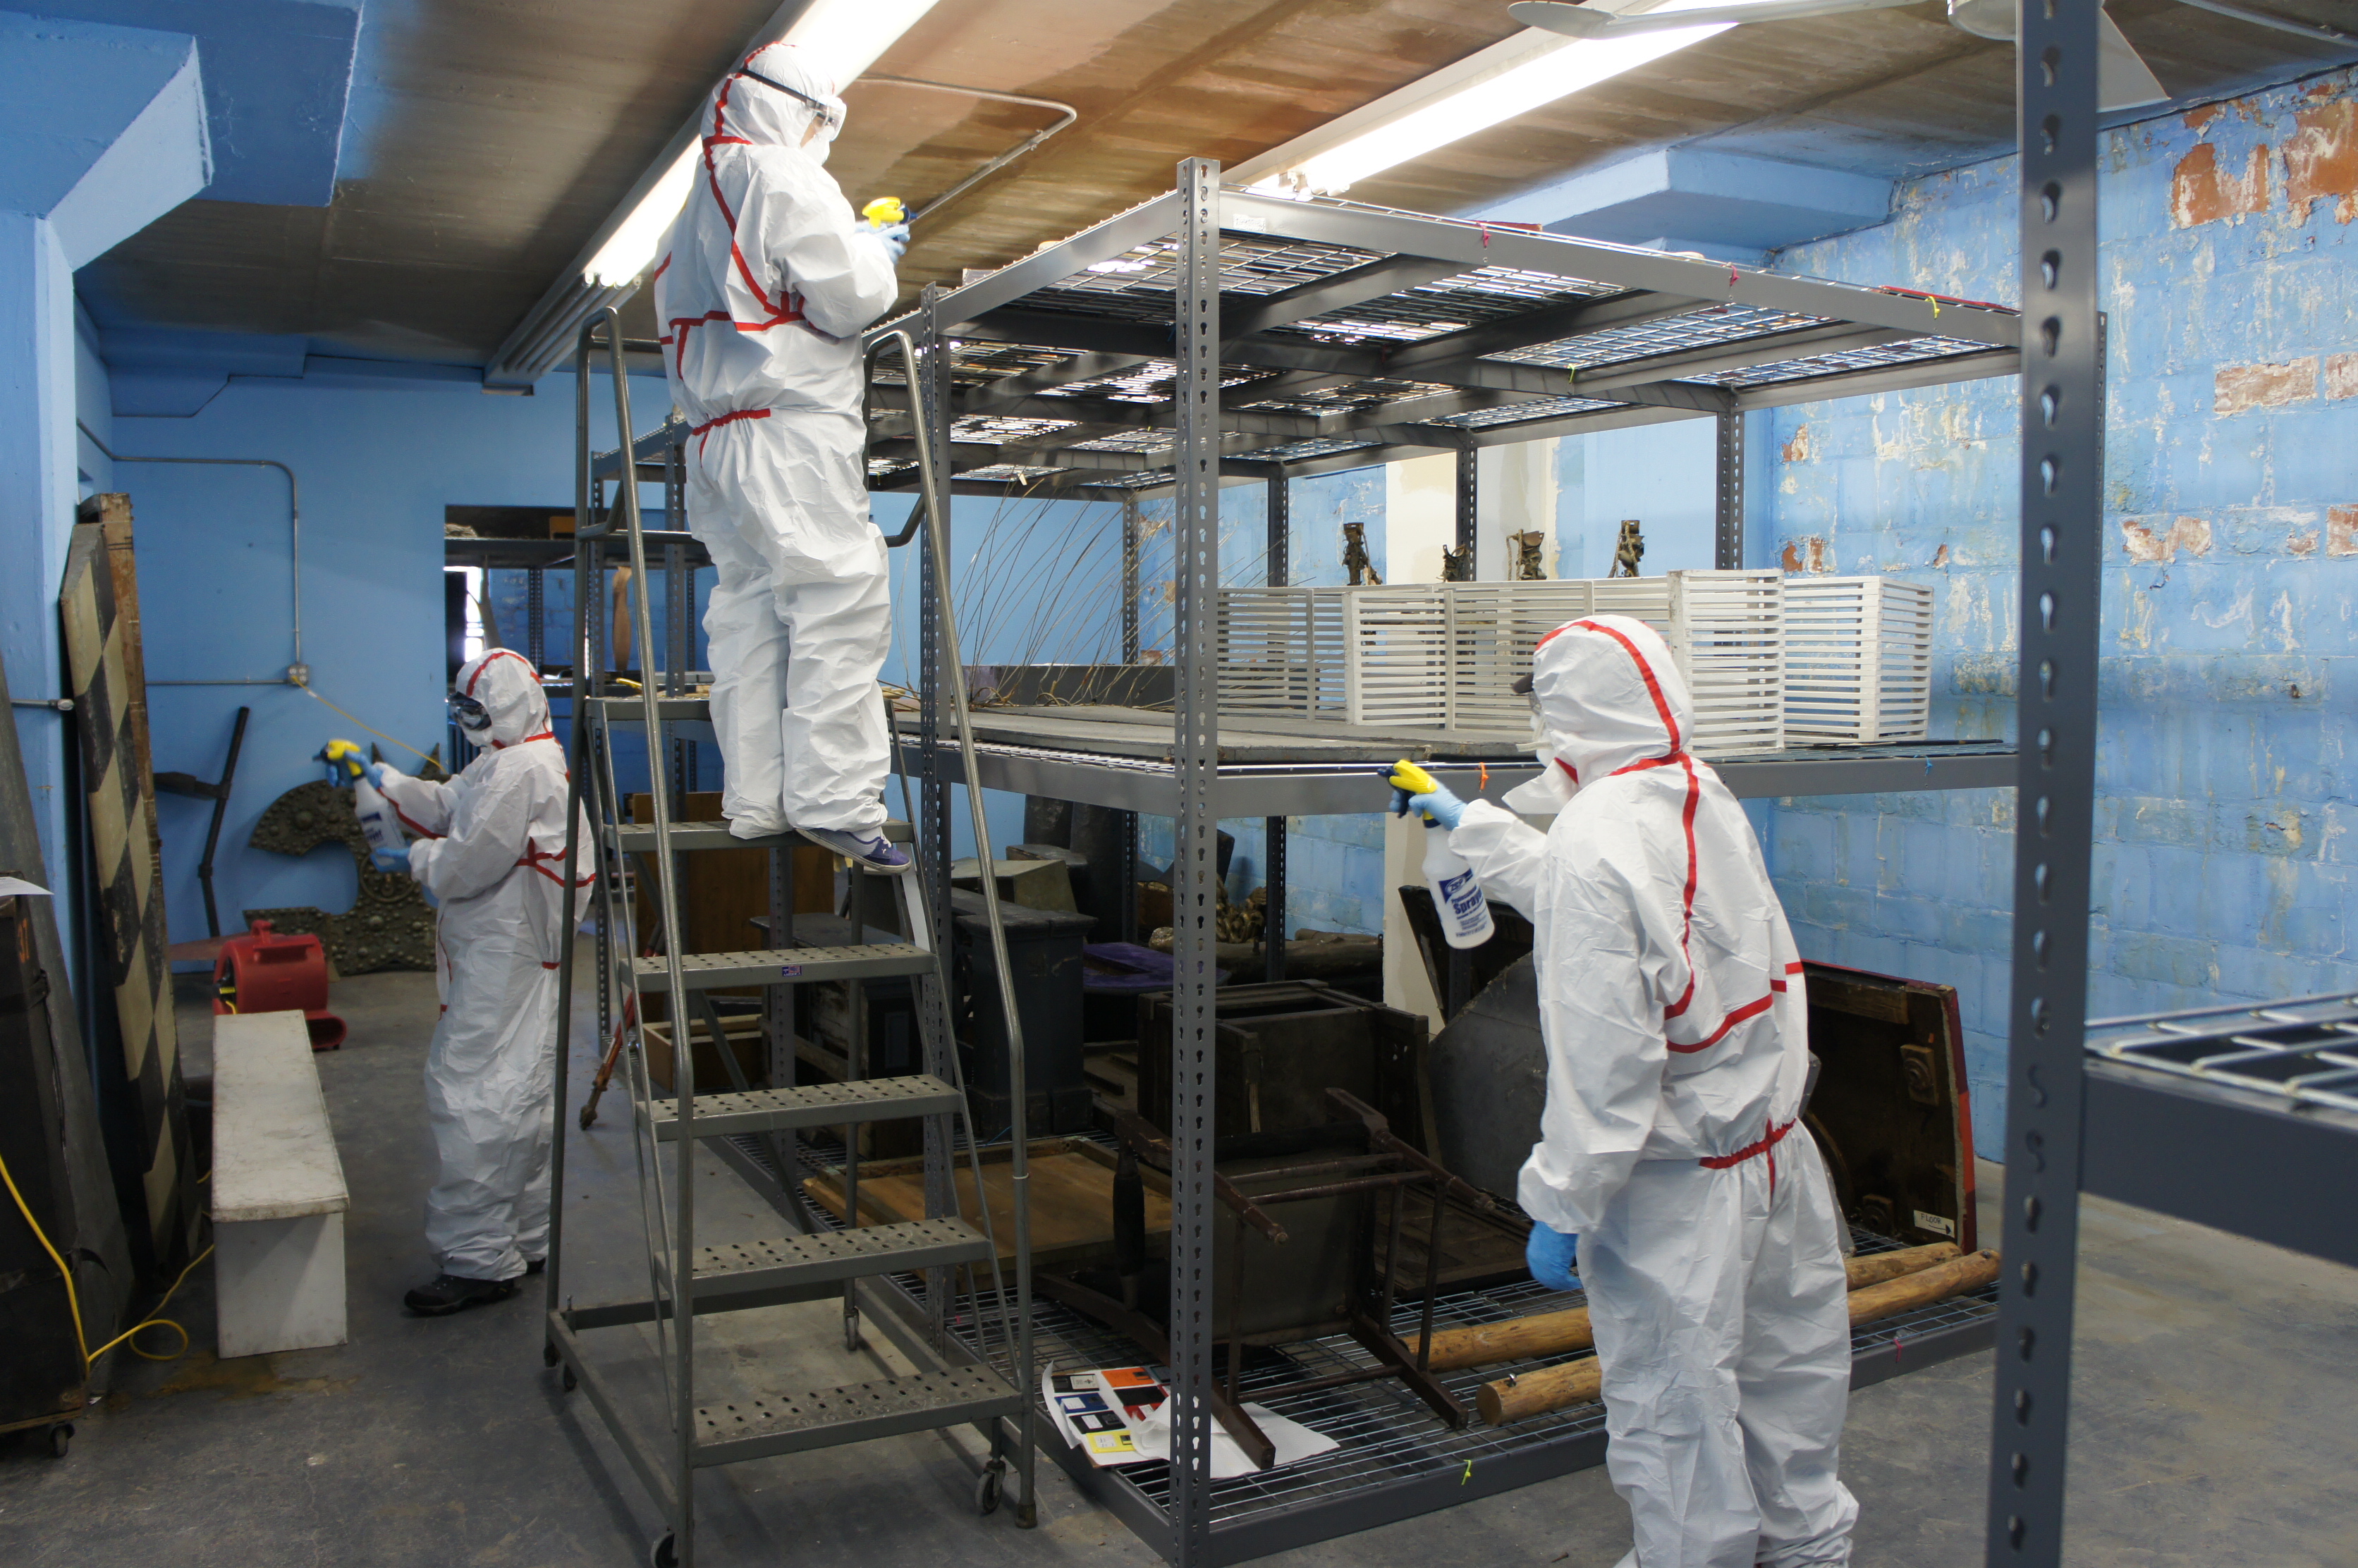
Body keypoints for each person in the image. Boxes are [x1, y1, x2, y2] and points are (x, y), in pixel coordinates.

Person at [1390, 615, 1855, 1568]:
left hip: (1678, 1194)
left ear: (1573, 717)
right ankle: (1809, 1553)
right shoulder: (1693, 789)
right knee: (1789, 1389)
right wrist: (1473, 827)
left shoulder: (1597, 838)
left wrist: (1564, 1199)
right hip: (1772, 1159)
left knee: (1675, 1418)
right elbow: (1629, 908)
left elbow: (1608, 1067)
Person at [652, 41, 912, 871]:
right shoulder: (777, 174)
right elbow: (852, 299)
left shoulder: (682, 214)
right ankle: (835, 803)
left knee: (749, 613)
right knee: (835, 603)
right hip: (789, 433)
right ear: (796, 112)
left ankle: (756, 800)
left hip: (714, 442)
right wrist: (875, 247)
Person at [330, 648, 592, 1316]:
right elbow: (452, 802)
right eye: (462, 707)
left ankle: (477, 1260)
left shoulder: (520, 770)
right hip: (513, 954)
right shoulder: (512, 758)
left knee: (474, 1094)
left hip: (504, 957)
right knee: (522, 1095)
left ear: (507, 704)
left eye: (477, 707)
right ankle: (525, 1237)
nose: (469, 718)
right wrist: (381, 778)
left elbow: (469, 859)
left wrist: (412, 857)